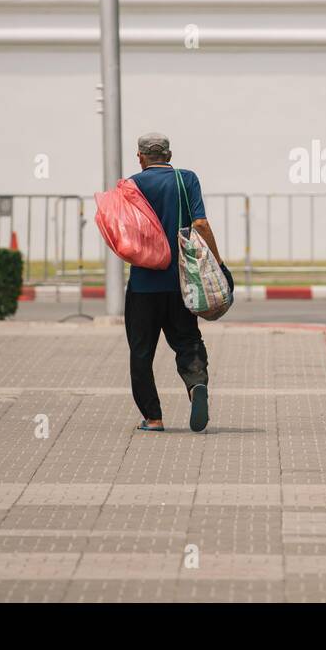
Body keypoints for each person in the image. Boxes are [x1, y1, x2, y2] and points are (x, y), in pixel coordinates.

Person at [124, 133, 227, 433]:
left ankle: (153, 417)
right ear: (169, 155)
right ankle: (196, 385)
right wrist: (218, 263)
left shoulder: (130, 186)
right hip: (182, 281)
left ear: (140, 157)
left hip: (143, 282)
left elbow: (120, 231)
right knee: (187, 339)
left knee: (141, 351)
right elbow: (201, 224)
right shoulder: (187, 179)